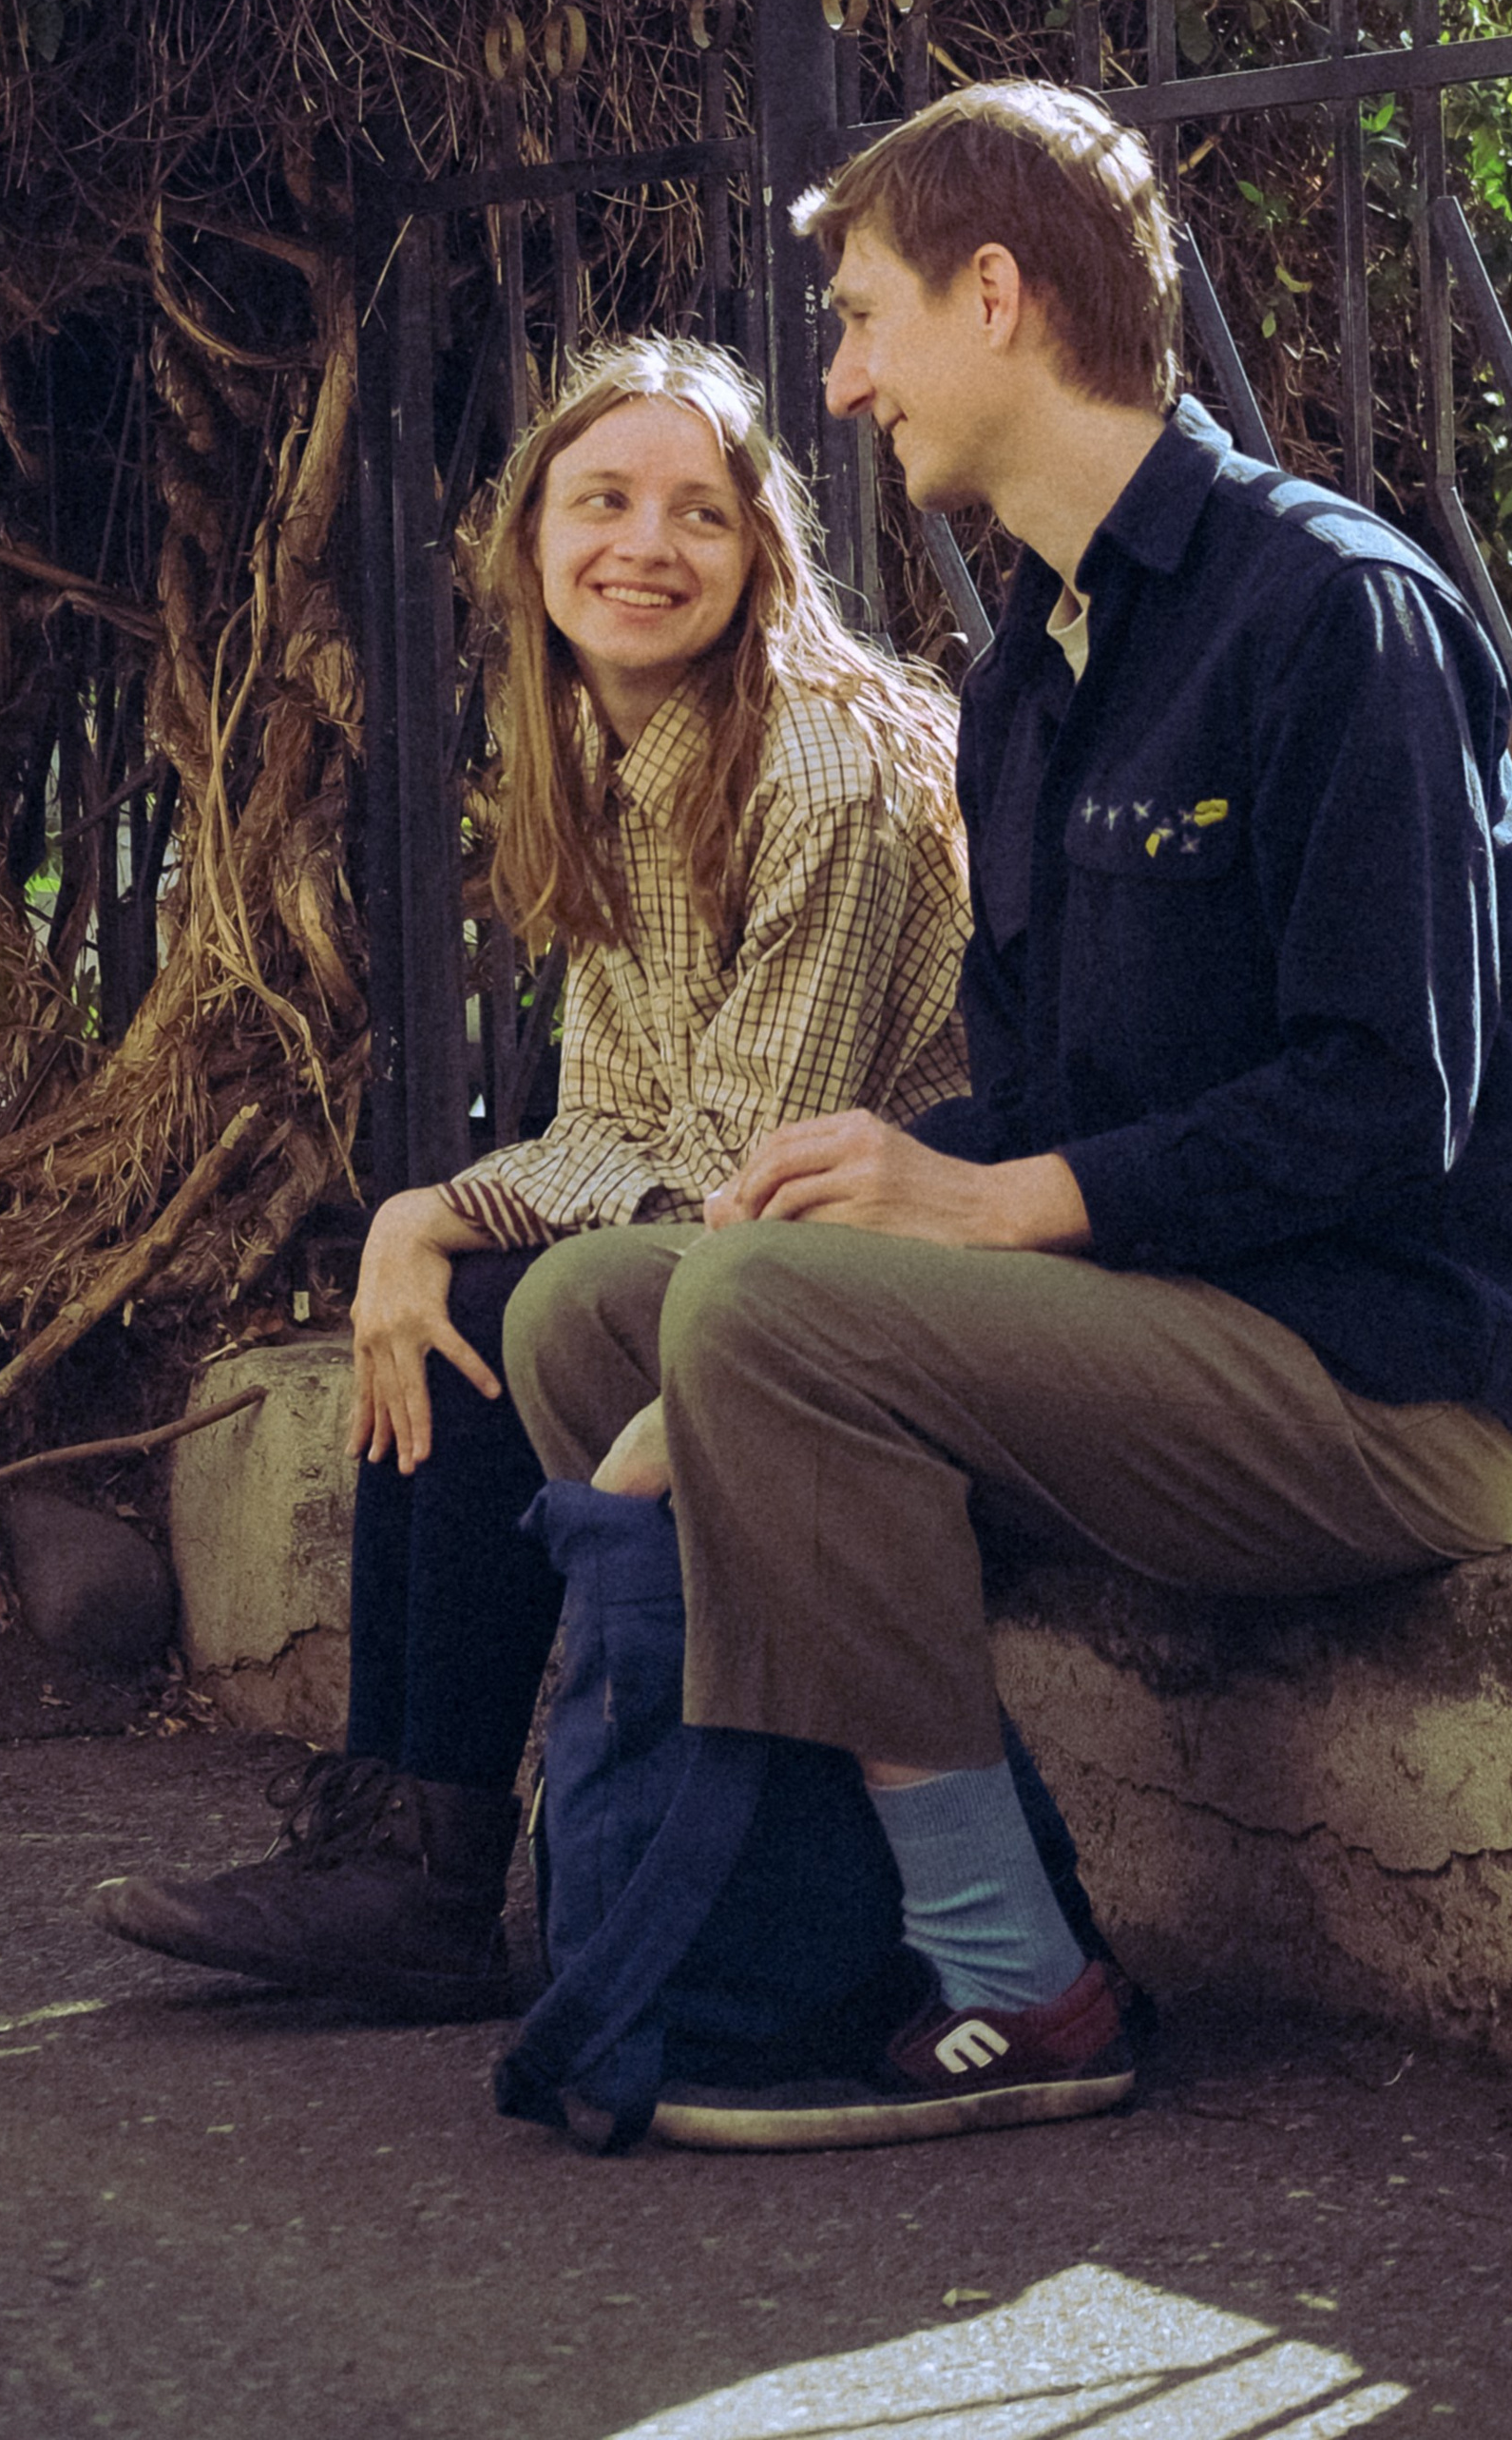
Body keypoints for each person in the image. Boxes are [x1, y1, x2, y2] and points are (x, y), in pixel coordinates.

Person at [504, 82, 1512, 2147]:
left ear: (993, 298)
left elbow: (1394, 1102)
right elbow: (1037, 1084)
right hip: (1154, 1332)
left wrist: (989, 1208)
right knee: (592, 1311)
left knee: (756, 1320)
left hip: (1386, 1382)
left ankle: (1023, 1981)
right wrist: (891, 1206)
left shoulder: (1329, 616)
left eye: (858, 319)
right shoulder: (1027, 670)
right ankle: (808, 1924)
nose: (832, 386)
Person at [90, 334, 969, 2012]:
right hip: (762, 1223)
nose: (647, 546)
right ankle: (389, 1840)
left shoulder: (820, 766)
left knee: (499, 1312)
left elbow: (731, 1158)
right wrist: (418, 1225)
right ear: (530, 543)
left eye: (699, 514)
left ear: (762, 555)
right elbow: (614, 1118)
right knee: (448, 1299)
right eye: (605, 502)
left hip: (911, 1259)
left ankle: (421, 1885)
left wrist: (446, 1218)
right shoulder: (608, 759)